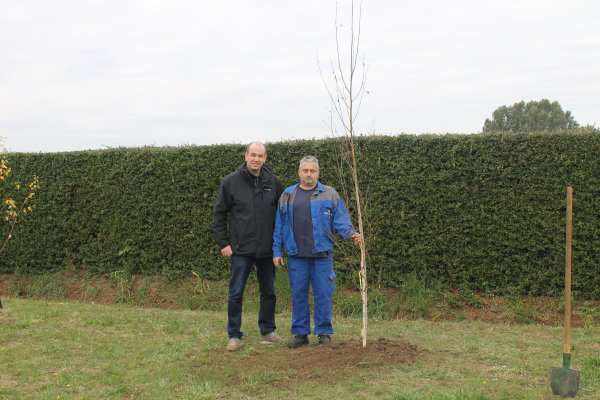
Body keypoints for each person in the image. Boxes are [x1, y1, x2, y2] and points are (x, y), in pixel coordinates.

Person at [272, 155, 361, 348]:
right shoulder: (288, 195)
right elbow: (279, 226)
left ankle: (323, 332)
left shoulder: (329, 194)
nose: (309, 174)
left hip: (322, 256)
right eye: (305, 170)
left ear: (318, 173)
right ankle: (300, 334)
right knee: (298, 295)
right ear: (299, 172)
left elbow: (341, 220)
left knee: (323, 295)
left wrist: (352, 234)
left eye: (313, 171)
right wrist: (276, 251)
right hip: (297, 256)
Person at [212, 142, 284, 352]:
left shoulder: (272, 181)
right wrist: (224, 243)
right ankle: (234, 335)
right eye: (253, 155)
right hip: (240, 249)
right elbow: (219, 214)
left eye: (260, 156)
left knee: (269, 292)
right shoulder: (230, 182)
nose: (256, 159)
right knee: (236, 293)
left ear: (265, 158)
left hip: (266, 250)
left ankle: (268, 331)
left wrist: (279, 245)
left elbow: (281, 214)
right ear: (245, 156)